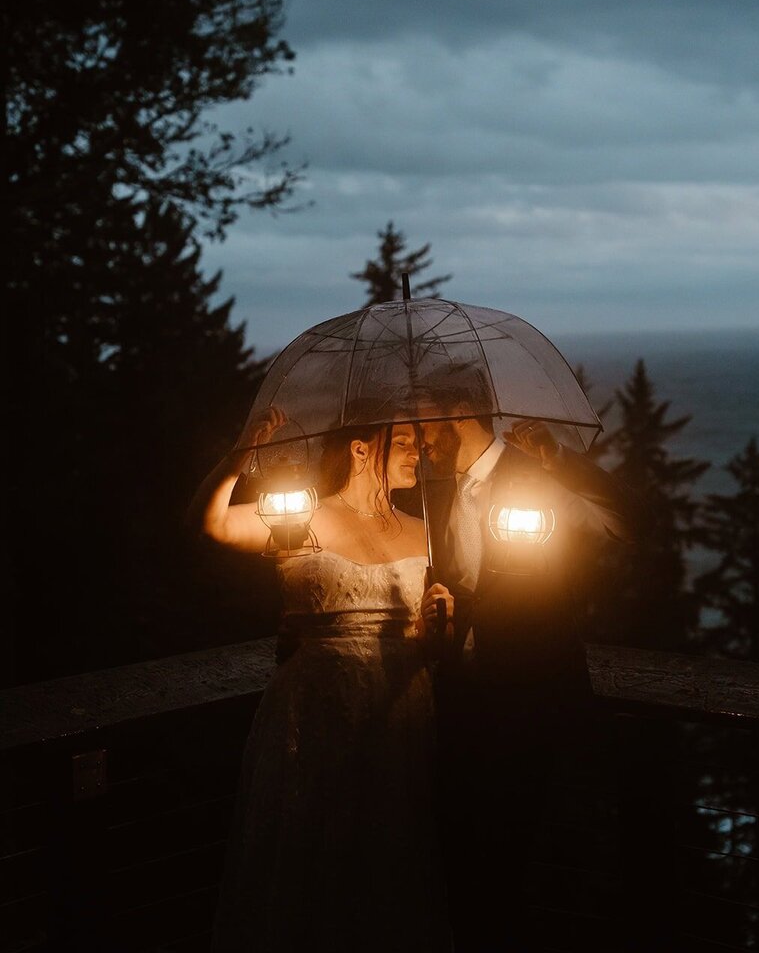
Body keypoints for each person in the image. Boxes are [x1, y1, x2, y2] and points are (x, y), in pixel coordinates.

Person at [186, 407, 455, 953]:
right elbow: (207, 525)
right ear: (360, 449)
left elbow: (431, 647)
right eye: (403, 441)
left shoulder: (426, 532)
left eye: (418, 444)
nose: (417, 454)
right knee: (313, 846)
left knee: (389, 853)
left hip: (399, 710)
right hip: (316, 709)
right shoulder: (299, 517)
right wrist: (242, 453)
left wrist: (438, 626)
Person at [403, 365, 636, 953]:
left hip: (534, 700)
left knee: (527, 863)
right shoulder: (437, 491)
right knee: (462, 868)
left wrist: (562, 462)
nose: (419, 435)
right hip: (463, 705)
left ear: (461, 414)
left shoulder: (539, 473)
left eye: (427, 420)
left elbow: (633, 522)